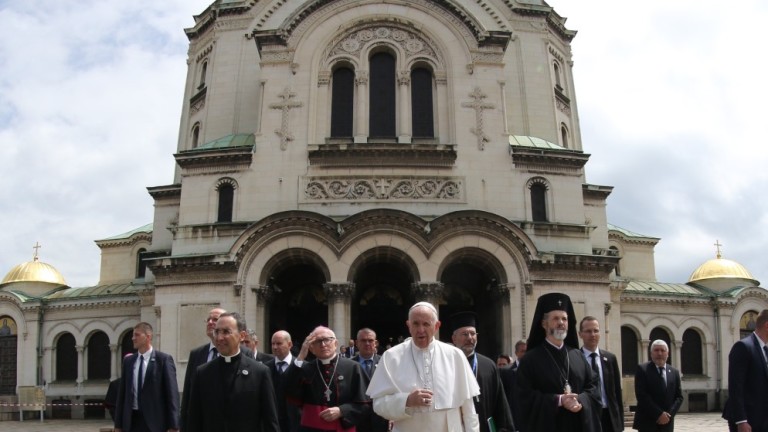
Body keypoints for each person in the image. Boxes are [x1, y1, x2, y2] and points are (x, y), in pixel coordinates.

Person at [366, 301, 481, 431]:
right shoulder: (391, 357)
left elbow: (468, 409)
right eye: (416, 324)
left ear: (437, 326)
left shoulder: (455, 355)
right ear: (409, 325)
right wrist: (407, 400)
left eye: (426, 324)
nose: (421, 330)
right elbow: (378, 404)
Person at [514, 292, 601, 432]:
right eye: (555, 318)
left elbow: (594, 388)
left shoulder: (577, 355)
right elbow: (524, 397)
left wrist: (579, 399)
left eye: (564, 319)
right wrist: (559, 400)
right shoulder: (530, 359)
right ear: (544, 323)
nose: (561, 323)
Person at [186, 312, 278, 432]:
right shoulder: (202, 373)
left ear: (242, 335)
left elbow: (270, 421)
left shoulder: (260, 373)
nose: (219, 338)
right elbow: (194, 420)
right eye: (217, 332)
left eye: (226, 332)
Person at [286, 326, 371, 431]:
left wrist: (342, 411)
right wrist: (300, 357)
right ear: (311, 347)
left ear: (335, 344)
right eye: (318, 341)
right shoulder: (305, 369)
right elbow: (289, 393)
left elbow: (366, 403)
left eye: (327, 340)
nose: (323, 344)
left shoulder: (353, 367)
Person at [450, 311, 514, 432]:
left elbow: (500, 403)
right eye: (464, 334)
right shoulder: (446, 364)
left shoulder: (488, 365)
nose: (469, 338)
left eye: (473, 333)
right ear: (454, 338)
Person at [114, 322, 180, 432]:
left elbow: (172, 395)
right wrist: (118, 424)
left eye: (137, 335)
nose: (133, 338)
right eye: (133, 335)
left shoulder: (163, 360)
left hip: (155, 423)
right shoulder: (129, 361)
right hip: (131, 422)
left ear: (148, 337)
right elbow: (122, 395)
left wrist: (174, 425)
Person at [180, 307, 225, 431]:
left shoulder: (240, 354)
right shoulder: (196, 354)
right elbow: (188, 392)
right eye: (208, 319)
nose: (210, 322)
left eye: (215, 319)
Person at [723, 309, 768, 432]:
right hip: (747, 420)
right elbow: (735, 386)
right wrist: (741, 420)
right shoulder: (743, 347)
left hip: (763, 418)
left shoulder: (765, 349)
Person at [578, 316, 624, 432]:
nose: (593, 334)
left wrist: (620, 423)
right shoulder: (575, 358)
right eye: (588, 331)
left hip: (608, 415)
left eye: (596, 330)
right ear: (580, 334)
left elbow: (617, 392)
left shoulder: (610, 358)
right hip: (586, 415)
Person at [633, 340, 682, 432]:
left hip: (667, 423)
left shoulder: (674, 372)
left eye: (663, 350)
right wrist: (659, 414)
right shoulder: (643, 369)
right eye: (656, 350)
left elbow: (679, 397)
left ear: (667, 353)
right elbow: (642, 395)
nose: (659, 353)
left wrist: (668, 415)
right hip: (648, 422)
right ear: (651, 353)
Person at [351, 328, 389, 432]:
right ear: (357, 343)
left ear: (376, 343)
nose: (367, 343)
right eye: (363, 340)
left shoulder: (385, 362)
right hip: (356, 416)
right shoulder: (349, 365)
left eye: (370, 340)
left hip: (380, 416)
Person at [264, 330, 301, 432]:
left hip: (295, 424)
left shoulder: (303, 367)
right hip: (272, 424)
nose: (275, 347)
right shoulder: (264, 368)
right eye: (273, 344)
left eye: (279, 343)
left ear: (290, 344)